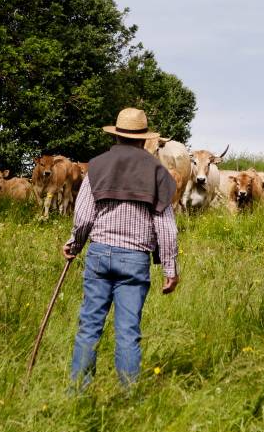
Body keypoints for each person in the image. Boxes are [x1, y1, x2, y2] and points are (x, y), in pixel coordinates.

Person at [63, 108, 180, 387]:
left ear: (116, 136)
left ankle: (77, 393)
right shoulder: (157, 172)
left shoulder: (97, 166)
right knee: (128, 332)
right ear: (143, 140)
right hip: (135, 260)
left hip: (99, 254)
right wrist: (170, 267)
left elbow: (83, 217)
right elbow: (167, 227)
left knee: (89, 327)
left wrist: (74, 244)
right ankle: (129, 398)